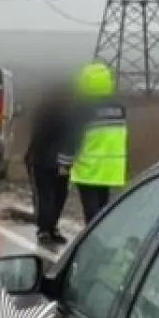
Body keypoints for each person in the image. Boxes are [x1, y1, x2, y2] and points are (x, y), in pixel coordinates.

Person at [65, 61, 128, 225]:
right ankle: (101, 233)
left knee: (91, 211)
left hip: (89, 168)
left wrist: (64, 162)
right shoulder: (119, 109)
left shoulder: (83, 109)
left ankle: (92, 236)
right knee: (103, 209)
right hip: (111, 169)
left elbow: (74, 138)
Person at [23, 79, 74, 246]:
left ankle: (44, 228)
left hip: (43, 159)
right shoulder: (71, 112)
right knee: (60, 194)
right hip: (63, 161)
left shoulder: (43, 110)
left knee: (44, 194)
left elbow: (38, 136)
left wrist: (30, 154)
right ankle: (53, 227)